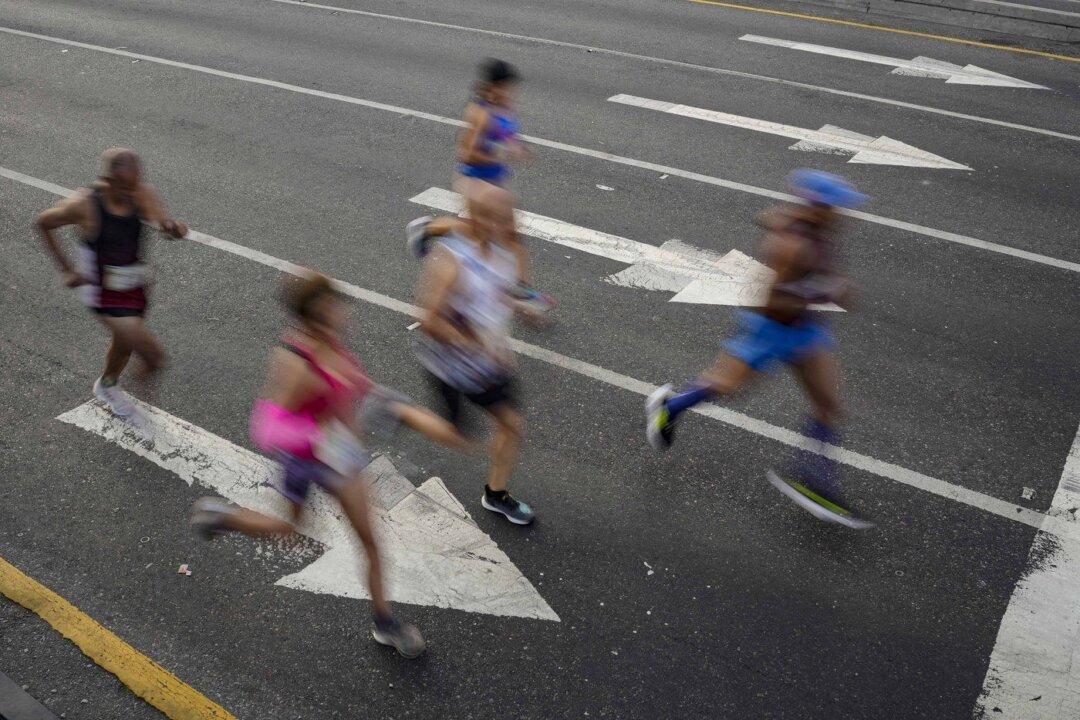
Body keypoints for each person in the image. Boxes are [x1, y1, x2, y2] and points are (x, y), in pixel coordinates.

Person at [190, 273, 470, 658]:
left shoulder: (336, 346)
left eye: (338, 305)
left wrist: (401, 413)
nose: (343, 313)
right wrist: (315, 438)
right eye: (333, 308)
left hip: (341, 460)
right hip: (303, 462)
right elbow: (267, 427)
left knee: (370, 540)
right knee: (292, 530)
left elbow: (357, 393)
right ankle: (225, 519)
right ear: (312, 317)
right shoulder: (294, 361)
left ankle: (384, 622)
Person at [645, 170, 873, 529]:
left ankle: (813, 479)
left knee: (829, 405)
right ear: (820, 208)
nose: (846, 214)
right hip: (772, 330)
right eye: (839, 207)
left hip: (805, 330)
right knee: (726, 387)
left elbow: (774, 219)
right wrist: (823, 291)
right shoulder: (794, 248)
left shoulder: (815, 230)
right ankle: (670, 406)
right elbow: (771, 302)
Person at [413, 183, 535, 525]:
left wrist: (522, 307)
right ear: (478, 219)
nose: (512, 223)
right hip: (451, 366)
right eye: (502, 217)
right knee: (461, 438)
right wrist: (477, 345)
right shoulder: (451, 260)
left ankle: (496, 495)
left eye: (512, 214)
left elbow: (501, 290)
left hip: (489, 362)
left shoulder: (504, 250)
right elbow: (429, 322)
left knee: (511, 426)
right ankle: (400, 411)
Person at [36, 148, 188, 420]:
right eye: (124, 186)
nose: (132, 192)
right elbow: (43, 224)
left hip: (134, 285)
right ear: (106, 180)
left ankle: (107, 384)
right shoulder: (84, 204)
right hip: (101, 291)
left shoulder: (142, 193)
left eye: (135, 183)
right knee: (153, 357)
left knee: (123, 343)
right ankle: (126, 394)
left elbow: (162, 225)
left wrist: (173, 229)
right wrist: (68, 270)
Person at [409, 58, 554, 317]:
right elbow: (467, 154)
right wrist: (500, 153)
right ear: (493, 86)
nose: (509, 92)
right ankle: (428, 229)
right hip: (475, 181)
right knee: (480, 232)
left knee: (510, 235)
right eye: (505, 87)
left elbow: (507, 134)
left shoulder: (505, 105)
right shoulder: (480, 113)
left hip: (496, 180)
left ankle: (522, 290)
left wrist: (518, 146)